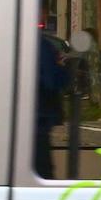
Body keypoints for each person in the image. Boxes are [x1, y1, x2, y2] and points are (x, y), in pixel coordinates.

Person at [35, 32, 69, 179]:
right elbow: (52, 81)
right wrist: (62, 68)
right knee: (43, 169)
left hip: (34, 116)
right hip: (40, 117)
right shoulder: (42, 46)